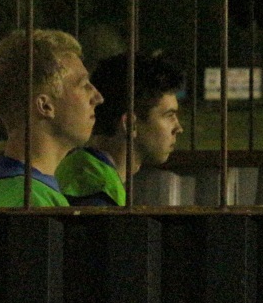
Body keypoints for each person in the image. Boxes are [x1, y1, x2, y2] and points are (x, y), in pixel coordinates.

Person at [0, 29, 103, 207]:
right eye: (84, 85)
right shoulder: (29, 201)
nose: (98, 97)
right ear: (45, 106)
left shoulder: (10, 188)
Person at [56, 52, 183, 206]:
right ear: (130, 124)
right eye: (169, 115)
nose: (178, 128)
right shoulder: (98, 197)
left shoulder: (81, 171)